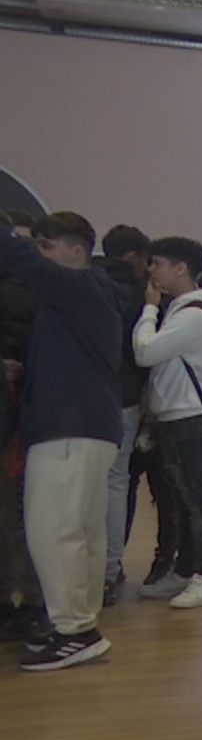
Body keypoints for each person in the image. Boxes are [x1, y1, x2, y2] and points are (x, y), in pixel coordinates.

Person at [0, 213, 125, 671]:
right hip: (85, 425)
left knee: (54, 531)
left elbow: (25, 263)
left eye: (45, 246)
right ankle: (78, 624)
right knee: (81, 532)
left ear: (76, 251)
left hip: (70, 427)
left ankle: (75, 630)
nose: (38, 256)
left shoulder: (81, 287)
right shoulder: (85, 297)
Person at [131, 236, 202, 610]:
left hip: (188, 418)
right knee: (180, 499)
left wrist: (148, 310)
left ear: (180, 268)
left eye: (157, 263)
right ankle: (185, 570)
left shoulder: (193, 314)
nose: (151, 271)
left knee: (198, 499)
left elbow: (146, 352)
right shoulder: (182, 310)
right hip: (173, 417)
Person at [95, 225, 149, 606]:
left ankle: (82, 569)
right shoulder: (140, 295)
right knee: (116, 482)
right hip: (125, 395)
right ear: (133, 257)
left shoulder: (83, 283)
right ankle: (109, 571)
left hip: (82, 396)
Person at [0, 210, 41, 642]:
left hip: (13, 420)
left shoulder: (17, 292)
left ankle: (24, 601)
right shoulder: (33, 288)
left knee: (13, 516)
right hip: (21, 417)